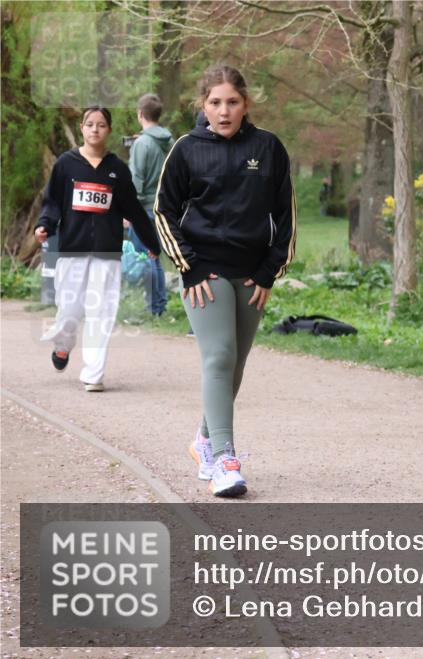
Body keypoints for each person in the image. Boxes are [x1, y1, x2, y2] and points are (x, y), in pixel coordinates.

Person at [154, 65, 296, 497]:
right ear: (203, 106)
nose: (224, 110)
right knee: (218, 357)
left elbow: (286, 216)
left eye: (232, 102)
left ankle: (203, 440)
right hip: (205, 271)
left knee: (234, 365)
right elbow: (163, 212)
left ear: (245, 104)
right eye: (215, 102)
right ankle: (225, 461)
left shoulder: (268, 148)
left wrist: (269, 271)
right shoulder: (186, 150)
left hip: (251, 276)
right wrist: (189, 266)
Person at [35, 106, 162, 392]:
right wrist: (45, 225)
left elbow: (134, 209)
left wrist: (152, 243)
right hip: (72, 249)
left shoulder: (117, 169)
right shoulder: (66, 164)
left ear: (109, 130)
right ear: (82, 127)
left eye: (101, 125)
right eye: (90, 124)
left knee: (101, 311)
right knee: (69, 310)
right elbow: (52, 202)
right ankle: (63, 345)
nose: (95, 129)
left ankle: (93, 374)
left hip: (107, 252)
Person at [127, 93, 174, 316]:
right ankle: (159, 305)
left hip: (144, 208)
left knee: (145, 257)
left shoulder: (142, 143)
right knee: (156, 257)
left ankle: (153, 308)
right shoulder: (170, 142)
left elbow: (136, 179)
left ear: (140, 114)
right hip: (164, 207)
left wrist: (128, 209)